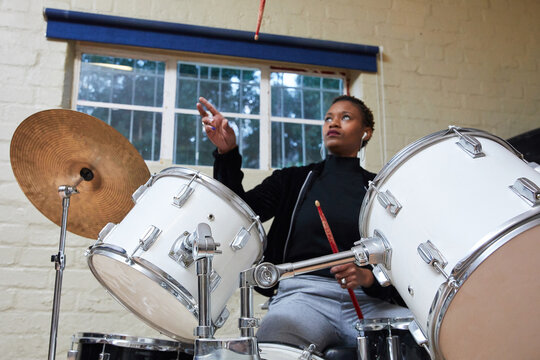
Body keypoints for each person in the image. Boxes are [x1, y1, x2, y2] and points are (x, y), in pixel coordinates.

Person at [197, 95, 410, 353]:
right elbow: (240, 210)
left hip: (367, 302)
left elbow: (403, 260)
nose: (333, 123)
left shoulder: (381, 192)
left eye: (345, 117)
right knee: (274, 350)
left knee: (424, 336)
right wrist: (227, 153)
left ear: (366, 132)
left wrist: (369, 277)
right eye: (328, 118)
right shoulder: (293, 180)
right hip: (302, 298)